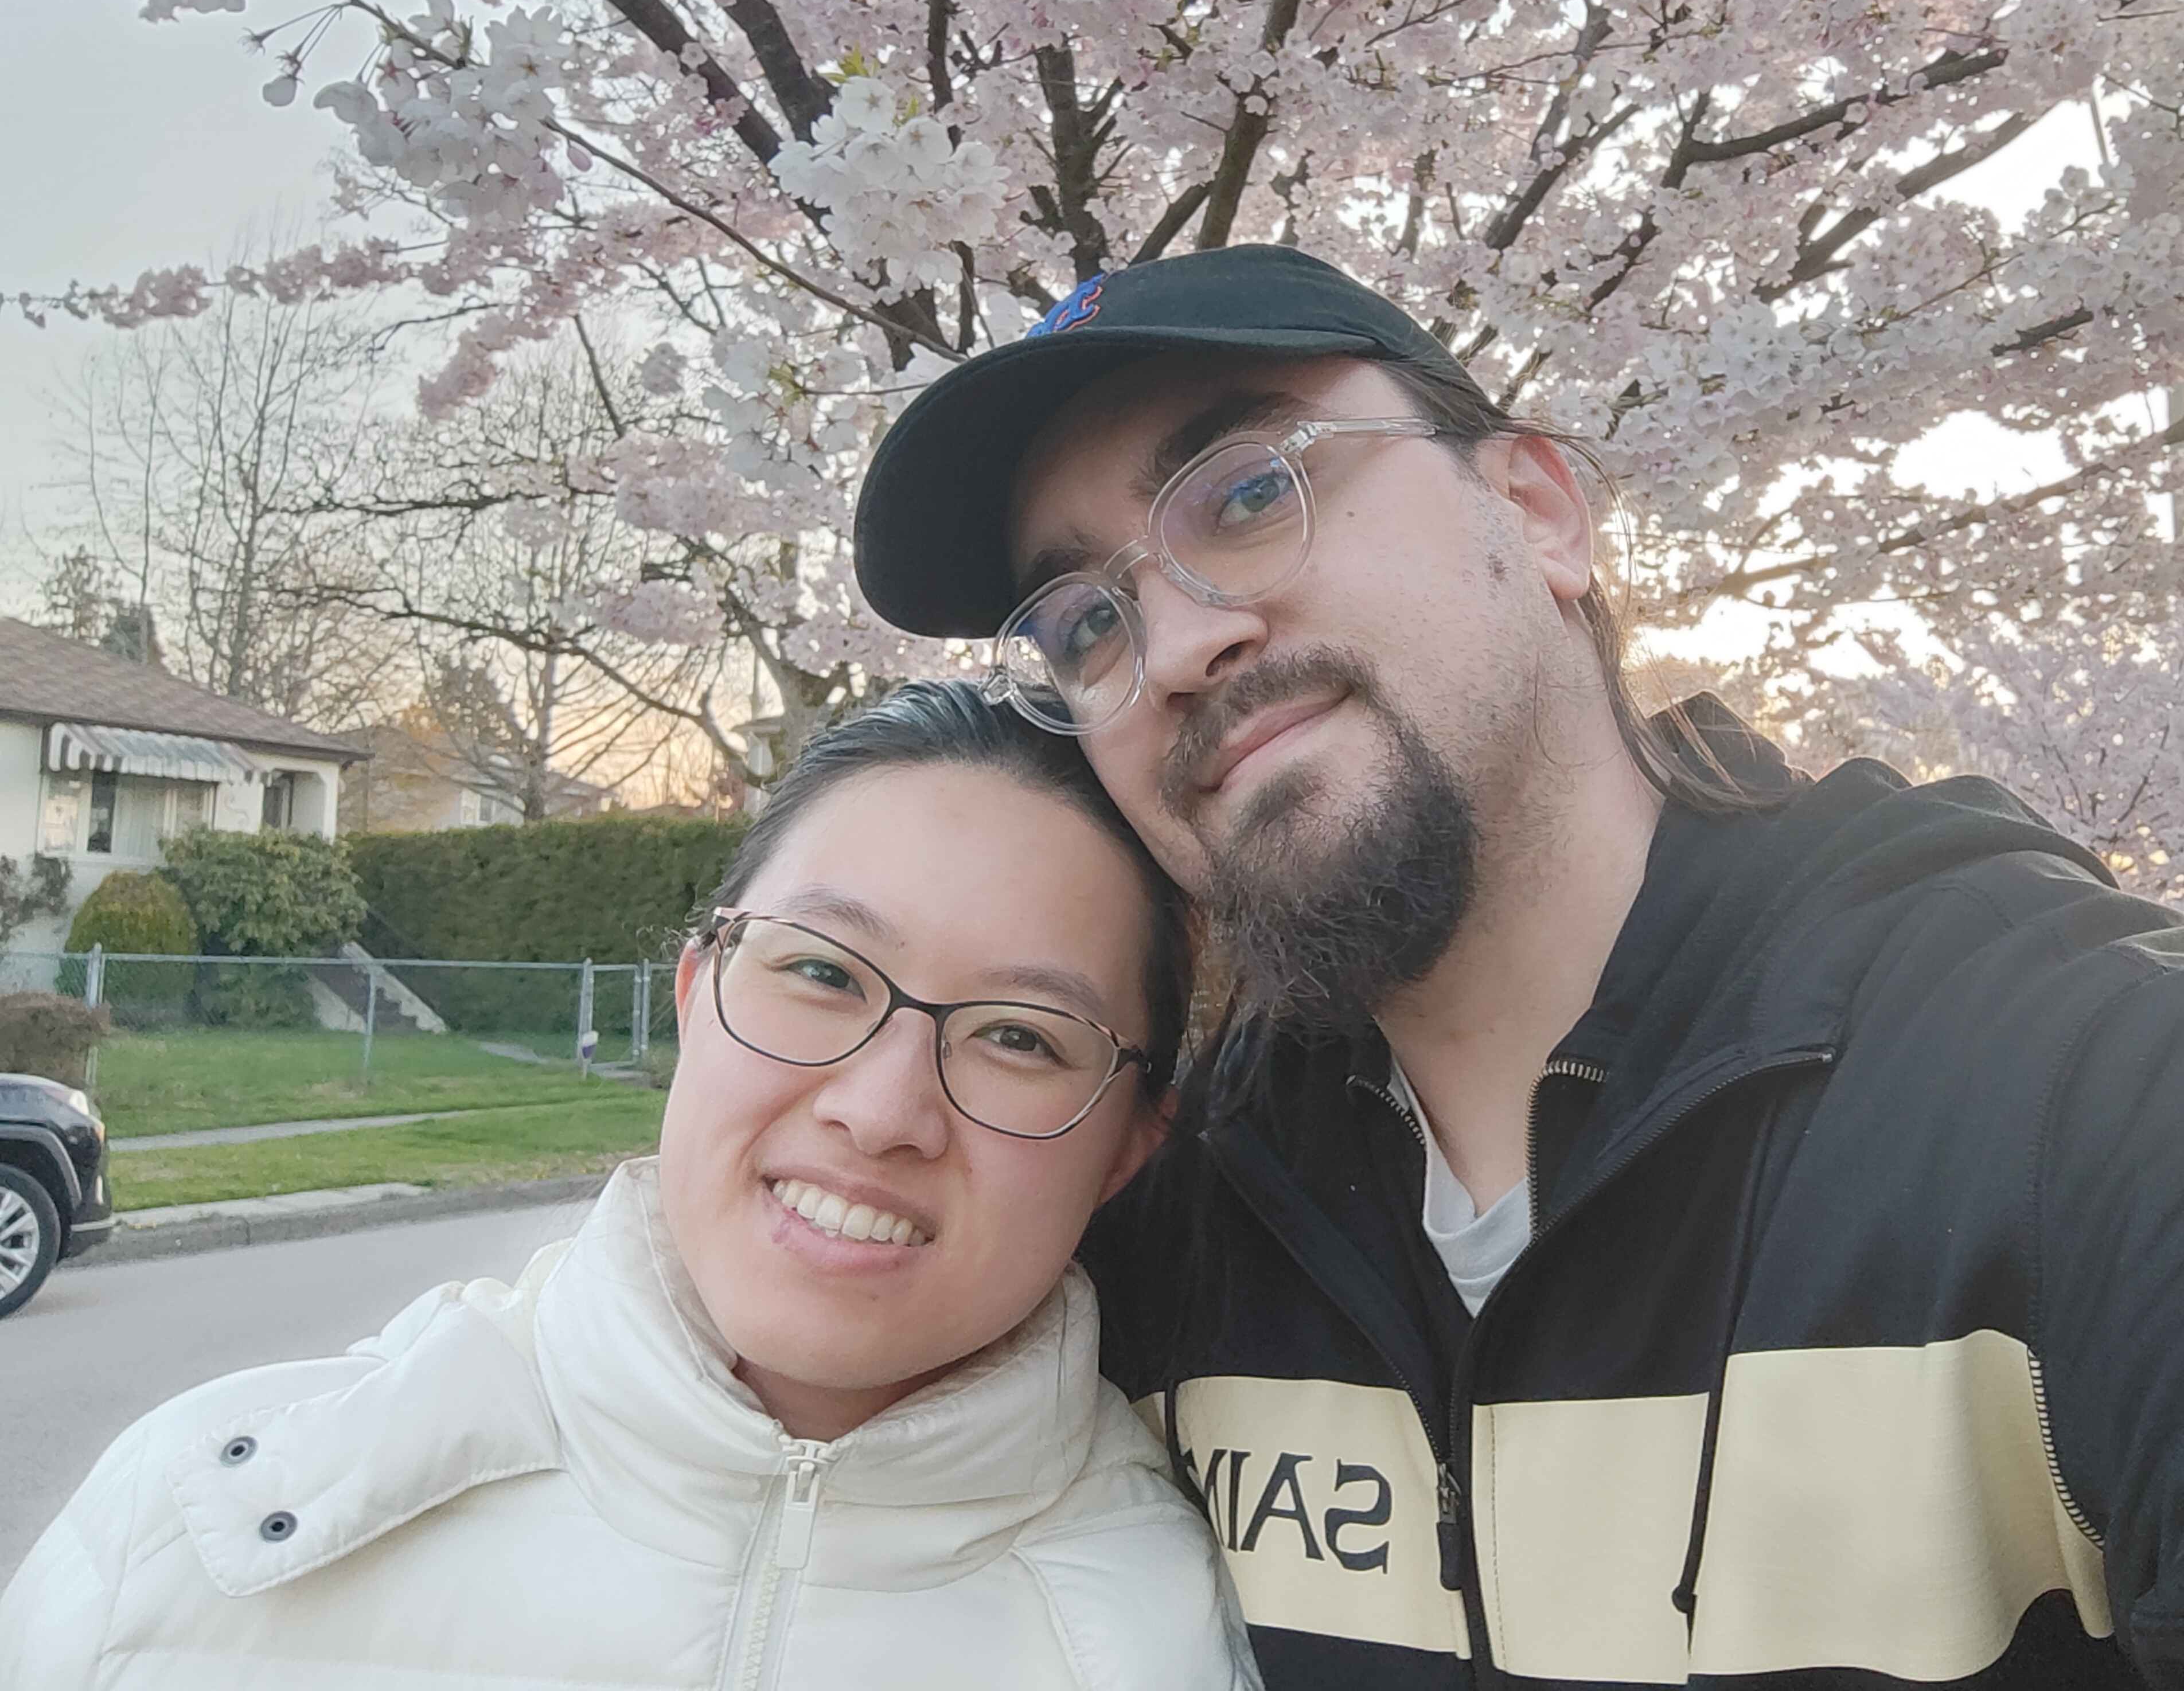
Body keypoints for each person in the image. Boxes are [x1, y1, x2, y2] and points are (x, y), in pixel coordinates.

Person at [850, 245, 2184, 1690]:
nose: (1174, 643)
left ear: (1541, 512)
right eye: (1082, 619)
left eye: (1248, 492)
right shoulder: (1162, 1219)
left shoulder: (2087, 1098)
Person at [0, 682, 1256, 1691]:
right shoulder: (200, 1524)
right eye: (820, 973)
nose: (879, 1113)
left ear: (1133, 1144)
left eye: (1022, 1038)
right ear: (695, 990)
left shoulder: (1202, 1638)